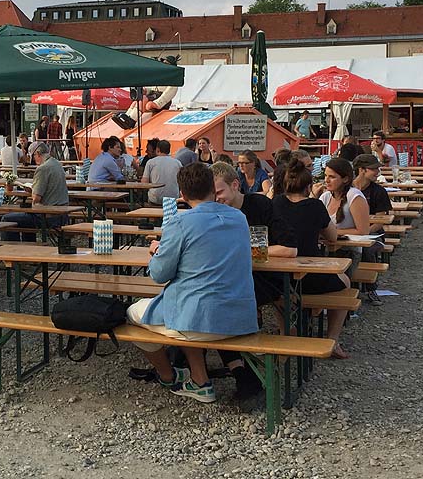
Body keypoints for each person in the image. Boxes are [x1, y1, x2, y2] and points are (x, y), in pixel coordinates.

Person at [127, 163, 257, 403]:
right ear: (212, 188)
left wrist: (157, 251)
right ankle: (199, 380)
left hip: (197, 319)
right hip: (240, 318)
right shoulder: (239, 218)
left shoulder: (180, 223)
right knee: (186, 309)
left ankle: (167, 375)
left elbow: (158, 275)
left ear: (182, 195)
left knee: (133, 316)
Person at [211, 161, 298, 400]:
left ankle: (246, 372)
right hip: (231, 280)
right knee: (210, 303)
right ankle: (240, 371)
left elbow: (289, 249)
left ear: (235, 185)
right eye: (212, 194)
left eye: (219, 192)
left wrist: (245, 251)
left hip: (264, 279)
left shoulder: (260, 205)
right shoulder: (213, 211)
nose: (216, 199)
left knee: (219, 306)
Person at [273, 159, 351, 359]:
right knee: (345, 284)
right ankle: (332, 339)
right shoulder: (315, 206)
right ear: (308, 187)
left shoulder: (276, 203)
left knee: (278, 291)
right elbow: (332, 237)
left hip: (279, 278)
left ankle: (286, 332)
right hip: (311, 276)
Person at [2, 142, 68, 242]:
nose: (33, 160)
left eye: (32, 156)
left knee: (7, 219)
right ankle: (28, 247)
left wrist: (31, 190)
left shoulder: (42, 169)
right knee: (25, 218)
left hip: (48, 216)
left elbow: (36, 198)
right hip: (62, 214)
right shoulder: (57, 164)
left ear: (37, 153)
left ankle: (12, 251)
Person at [352, 154, 392, 306]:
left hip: (374, 235)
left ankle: (370, 288)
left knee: (367, 249)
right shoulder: (347, 189)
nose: (378, 172)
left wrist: (364, 232)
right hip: (351, 232)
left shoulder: (379, 191)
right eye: (374, 169)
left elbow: (380, 221)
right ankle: (345, 288)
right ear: (361, 170)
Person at [141, 140, 181, 205]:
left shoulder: (151, 162)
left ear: (157, 149)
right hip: (173, 199)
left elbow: (144, 183)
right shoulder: (177, 163)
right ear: (169, 150)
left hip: (155, 199)